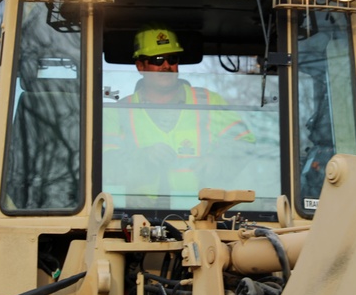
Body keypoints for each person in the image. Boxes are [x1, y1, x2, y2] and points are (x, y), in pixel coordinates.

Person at [103, 26, 253, 202]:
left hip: (200, 217)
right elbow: (107, 164)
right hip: (138, 218)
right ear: (140, 66)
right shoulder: (118, 112)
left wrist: (217, 161)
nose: (166, 66)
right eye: (158, 59)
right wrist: (143, 159)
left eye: (172, 59)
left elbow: (244, 142)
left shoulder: (208, 102)